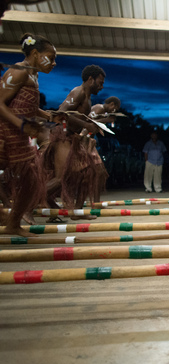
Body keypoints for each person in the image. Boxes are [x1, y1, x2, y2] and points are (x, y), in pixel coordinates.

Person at [0, 33, 56, 236]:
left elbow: (25, 104)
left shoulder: (34, 75)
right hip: (6, 132)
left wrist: (48, 115)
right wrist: (21, 125)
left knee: (31, 180)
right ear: (34, 53)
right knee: (31, 178)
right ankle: (12, 222)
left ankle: (13, 223)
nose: (54, 63)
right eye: (51, 57)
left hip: (19, 133)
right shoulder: (19, 70)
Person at [44, 64, 106, 218]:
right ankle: (26, 203)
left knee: (86, 173)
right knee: (60, 179)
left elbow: (78, 117)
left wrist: (93, 126)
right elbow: (61, 112)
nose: (102, 86)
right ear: (90, 79)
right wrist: (86, 125)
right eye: (100, 82)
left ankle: (75, 211)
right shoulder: (78, 92)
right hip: (63, 137)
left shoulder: (87, 96)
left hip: (73, 138)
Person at [88, 96, 121, 204]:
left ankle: (96, 202)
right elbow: (88, 122)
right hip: (85, 141)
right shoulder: (99, 108)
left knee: (99, 173)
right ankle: (94, 203)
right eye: (115, 109)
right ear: (112, 104)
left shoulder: (102, 111)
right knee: (97, 172)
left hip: (90, 141)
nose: (114, 111)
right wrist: (107, 120)